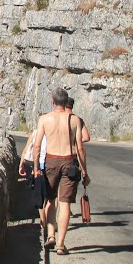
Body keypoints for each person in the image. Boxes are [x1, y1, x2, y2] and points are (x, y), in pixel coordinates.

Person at [32, 87, 89, 255]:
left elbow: (37, 145)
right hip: (69, 161)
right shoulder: (75, 120)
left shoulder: (44, 119)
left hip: (50, 161)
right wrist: (84, 171)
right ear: (66, 102)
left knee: (50, 200)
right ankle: (61, 244)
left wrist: (36, 167)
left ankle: (50, 235)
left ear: (52, 101)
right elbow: (79, 148)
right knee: (65, 203)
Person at [18, 128, 48, 234]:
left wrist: (21, 165)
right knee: (51, 196)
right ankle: (51, 220)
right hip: (52, 165)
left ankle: (43, 221)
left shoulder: (36, 132)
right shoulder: (54, 131)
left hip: (39, 166)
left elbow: (27, 149)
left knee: (39, 195)